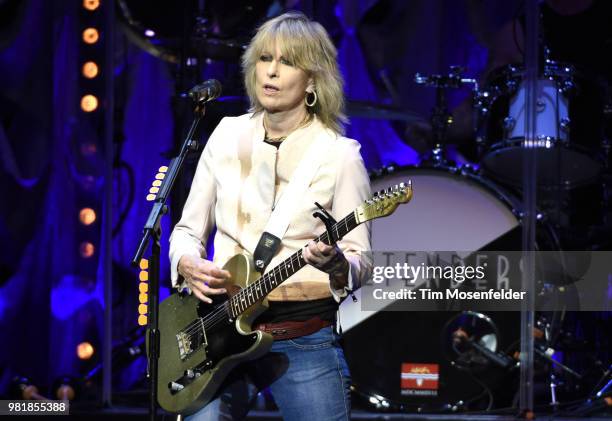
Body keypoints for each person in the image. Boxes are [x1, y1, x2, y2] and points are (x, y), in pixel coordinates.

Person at [169, 11, 372, 421]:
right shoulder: (226, 134)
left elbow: (361, 261)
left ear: (313, 80)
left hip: (301, 336)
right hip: (221, 329)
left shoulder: (340, 156)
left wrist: (336, 263)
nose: (272, 72)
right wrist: (185, 261)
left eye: (289, 62)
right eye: (265, 59)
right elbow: (188, 230)